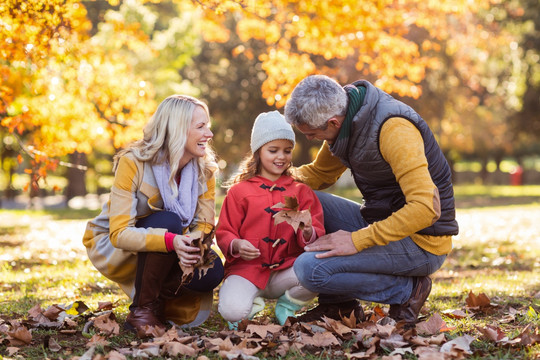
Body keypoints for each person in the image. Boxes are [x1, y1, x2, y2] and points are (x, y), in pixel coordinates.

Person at [283, 75, 459, 328]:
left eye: (312, 134)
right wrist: (267, 179)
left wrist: (357, 240)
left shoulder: (394, 129)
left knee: (310, 269)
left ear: (332, 122)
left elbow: (425, 208)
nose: (310, 139)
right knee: (304, 201)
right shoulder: (345, 125)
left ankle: (408, 290)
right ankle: (338, 306)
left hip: (422, 241)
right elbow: (320, 174)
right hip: (382, 221)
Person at [82, 95, 224, 337]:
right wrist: (172, 241)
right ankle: (142, 310)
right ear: (177, 129)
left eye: (207, 126)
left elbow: (204, 222)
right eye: (200, 127)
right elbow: (119, 233)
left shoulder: (205, 170)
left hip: (170, 244)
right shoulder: (134, 162)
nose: (209, 134)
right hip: (116, 245)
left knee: (212, 269)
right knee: (168, 221)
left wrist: (191, 243)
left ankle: (158, 300)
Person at [216, 111, 325, 327]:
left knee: (317, 270)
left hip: (287, 269)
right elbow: (224, 232)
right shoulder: (240, 192)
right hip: (247, 270)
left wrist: (308, 232)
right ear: (258, 151)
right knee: (232, 312)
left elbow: (317, 232)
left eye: (287, 151)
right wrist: (236, 244)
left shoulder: (301, 191)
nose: (281, 157)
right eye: (273, 150)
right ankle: (251, 302)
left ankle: (288, 305)